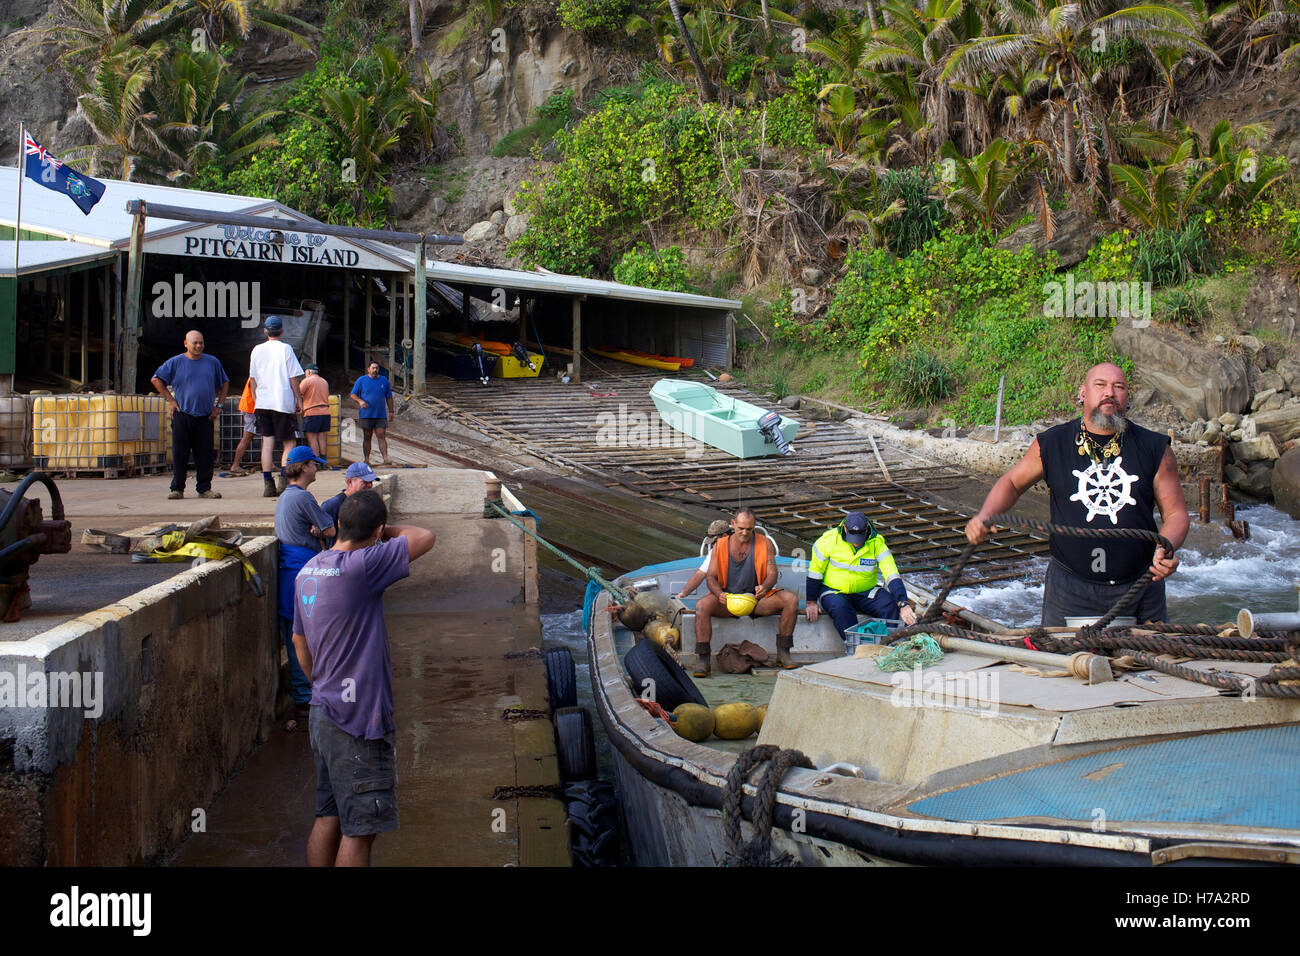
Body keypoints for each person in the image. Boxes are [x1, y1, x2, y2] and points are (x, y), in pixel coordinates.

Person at [964, 362, 1190, 626]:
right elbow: (1012, 483)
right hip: (1069, 588)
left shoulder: (1155, 447)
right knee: (1064, 665)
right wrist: (986, 515)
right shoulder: (1052, 443)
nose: (1110, 393)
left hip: (1141, 587)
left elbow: (1176, 514)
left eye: (1119, 387)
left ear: (1128, 397)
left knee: (1148, 666)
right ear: (1083, 393)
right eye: (1100, 385)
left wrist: (1167, 546)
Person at [292, 489, 436, 867]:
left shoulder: (309, 570)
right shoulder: (362, 567)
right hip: (358, 723)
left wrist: (321, 685)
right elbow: (424, 537)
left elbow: (298, 641)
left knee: (329, 815)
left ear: (338, 523)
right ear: (377, 530)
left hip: (323, 712)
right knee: (361, 830)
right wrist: (385, 533)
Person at [693, 507, 798, 676]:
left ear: (754, 526)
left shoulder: (765, 543)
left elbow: (772, 573)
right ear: (733, 524)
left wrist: (765, 587)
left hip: (757, 600)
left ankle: (784, 653)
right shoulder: (719, 545)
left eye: (749, 529)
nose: (744, 532)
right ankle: (703, 659)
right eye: (740, 528)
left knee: (791, 600)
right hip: (727, 600)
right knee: (701, 606)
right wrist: (720, 594)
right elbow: (711, 577)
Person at [274, 444, 334, 721]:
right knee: (304, 637)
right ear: (304, 467)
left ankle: (304, 697)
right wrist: (320, 529)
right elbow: (330, 529)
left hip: (290, 571)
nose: (316, 468)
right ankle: (306, 698)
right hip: (302, 572)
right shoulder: (304, 498)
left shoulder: (287, 496)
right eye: (314, 463)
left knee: (295, 635)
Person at [805, 511, 918, 643]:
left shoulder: (877, 543)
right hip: (834, 591)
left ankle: (890, 643)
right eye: (852, 538)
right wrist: (811, 602)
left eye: (860, 538)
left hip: (867, 592)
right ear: (845, 529)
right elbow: (815, 572)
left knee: (889, 606)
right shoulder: (828, 541)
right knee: (841, 609)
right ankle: (856, 647)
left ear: (867, 530)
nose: (856, 543)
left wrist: (903, 603)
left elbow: (891, 574)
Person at [151, 329, 229, 500]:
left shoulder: (212, 362)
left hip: (205, 416)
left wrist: (219, 406)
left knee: (205, 454)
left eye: (201, 342)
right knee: (180, 453)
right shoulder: (175, 362)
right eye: (194, 343)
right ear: (186, 343)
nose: (198, 345)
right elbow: (156, 379)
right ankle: (177, 488)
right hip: (183, 414)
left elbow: (224, 382)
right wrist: (171, 400)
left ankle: (204, 488)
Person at [249, 315, 304, 497]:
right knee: (289, 442)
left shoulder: (256, 350)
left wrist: (257, 398)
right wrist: (299, 399)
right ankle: (283, 480)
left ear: (265, 331)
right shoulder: (286, 349)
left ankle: (267, 484)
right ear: (282, 331)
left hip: (263, 403)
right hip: (282, 402)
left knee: (267, 443)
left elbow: (253, 380)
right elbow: (293, 378)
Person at [350, 362, 395, 465]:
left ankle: (385, 458)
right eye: (373, 368)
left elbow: (389, 396)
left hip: (380, 414)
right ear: (368, 369)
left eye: (377, 368)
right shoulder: (361, 380)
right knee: (367, 436)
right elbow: (353, 394)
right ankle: (366, 459)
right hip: (366, 414)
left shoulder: (384, 380)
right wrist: (360, 401)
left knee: (381, 435)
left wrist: (391, 411)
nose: (375, 370)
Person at [675, 518, 731, 600]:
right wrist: (683, 593)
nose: (712, 545)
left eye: (714, 542)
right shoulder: (714, 551)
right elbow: (701, 573)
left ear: (725, 536)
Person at [320, 461, 378, 530]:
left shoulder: (369, 503)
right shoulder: (333, 505)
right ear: (349, 482)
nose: (370, 485)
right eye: (365, 482)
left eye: (371, 482)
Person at [224, 379, 256, 476]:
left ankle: (268, 463)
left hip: (250, 407)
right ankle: (235, 465)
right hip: (251, 408)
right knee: (248, 437)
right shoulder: (257, 373)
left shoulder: (256, 372)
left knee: (263, 437)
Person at [299, 363, 331, 463]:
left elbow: (298, 394)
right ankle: (323, 461)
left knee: (312, 438)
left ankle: (315, 461)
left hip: (312, 412)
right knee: (321, 437)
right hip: (325, 412)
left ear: (308, 371)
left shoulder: (307, 381)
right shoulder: (324, 381)